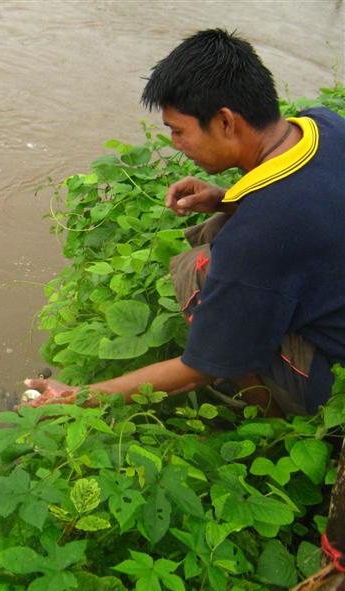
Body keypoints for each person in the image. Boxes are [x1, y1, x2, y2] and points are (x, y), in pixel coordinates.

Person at [24, 29, 345, 416]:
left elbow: (197, 372)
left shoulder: (258, 236)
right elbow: (306, 202)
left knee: (197, 271)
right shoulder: (322, 125)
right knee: (218, 231)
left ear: (226, 121)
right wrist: (225, 198)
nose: (176, 144)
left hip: (333, 374)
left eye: (179, 131)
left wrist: (79, 397)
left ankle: (270, 415)